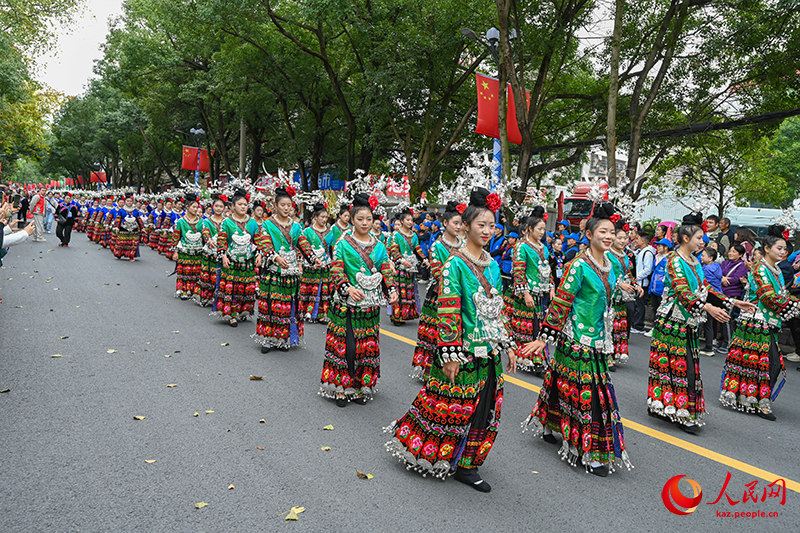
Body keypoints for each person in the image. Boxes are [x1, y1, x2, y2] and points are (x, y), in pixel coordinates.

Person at [385, 188, 516, 492]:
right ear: (466, 226)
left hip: (489, 350)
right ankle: (431, 448)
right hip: (463, 350)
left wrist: (508, 344)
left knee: (485, 407)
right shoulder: (455, 264)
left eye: (492, 225)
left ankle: (468, 464)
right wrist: (449, 352)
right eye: (481, 224)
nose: (487, 230)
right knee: (451, 406)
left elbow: (499, 308)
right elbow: (449, 309)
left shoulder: (493, 265)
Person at [521, 202, 632, 477]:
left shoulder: (611, 265)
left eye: (612, 232)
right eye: (603, 232)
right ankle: (587, 450)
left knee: (561, 382)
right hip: (577, 339)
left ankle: (549, 423)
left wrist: (625, 289)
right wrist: (544, 338)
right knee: (586, 393)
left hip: (600, 338)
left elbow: (609, 295)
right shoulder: (577, 265)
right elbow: (562, 302)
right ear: (589, 235)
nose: (609, 236)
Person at [646, 212, 755, 433]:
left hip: (687, 322)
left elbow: (706, 288)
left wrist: (733, 301)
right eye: (698, 238)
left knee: (685, 367)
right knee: (675, 367)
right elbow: (683, 291)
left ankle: (670, 407)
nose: (702, 242)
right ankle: (671, 408)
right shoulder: (674, 261)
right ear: (686, 238)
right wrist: (708, 308)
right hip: (672, 322)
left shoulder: (694, 261)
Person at [319, 193, 398, 405]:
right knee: (348, 346)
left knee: (366, 347)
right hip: (346, 303)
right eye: (360, 219)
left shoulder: (380, 246)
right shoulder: (342, 243)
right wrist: (347, 288)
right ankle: (341, 387)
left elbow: (385, 270)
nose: (365, 223)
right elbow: (336, 268)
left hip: (369, 306)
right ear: (351, 219)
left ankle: (359, 385)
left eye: (368, 219)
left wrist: (391, 289)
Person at [720, 225, 799, 420]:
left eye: (785, 249)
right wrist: (796, 304)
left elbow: (781, 295)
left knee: (761, 363)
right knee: (767, 363)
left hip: (768, 321)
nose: (783, 252)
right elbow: (768, 296)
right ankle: (759, 402)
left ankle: (753, 398)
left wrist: (791, 302)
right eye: (779, 248)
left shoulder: (776, 270)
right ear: (767, 248)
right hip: (756, 321)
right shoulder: (759, 269)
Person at [254, 187, 319, 353]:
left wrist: (313, 258)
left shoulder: (296, 226)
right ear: (275, 206)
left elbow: (303, 243)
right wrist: (275, 257)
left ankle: (282, 338)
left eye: (288, 205)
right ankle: (267, 338)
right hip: (272, 271)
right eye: (282, 205)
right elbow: (265, 243)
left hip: (290, 271)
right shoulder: (267, 224)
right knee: (270, 304)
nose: (286, 208)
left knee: (286, 306)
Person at [411, 201, 463, 381]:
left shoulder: (465, 245)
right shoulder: (437, 246)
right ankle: (430, 371)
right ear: (445, 223)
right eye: (455, 223)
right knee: (436, 332)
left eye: (461, 223)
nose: (459, 227)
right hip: (440, 296)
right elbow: (438, 272)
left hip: (461, 297)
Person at [508, 207, 553, 375]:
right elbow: (519, 271)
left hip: (540, 293)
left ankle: (537, 359)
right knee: (528, 327)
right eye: (539, 229)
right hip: (526, 292)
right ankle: (531, 359)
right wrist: (525, 293)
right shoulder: (521, 246)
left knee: (538, 326)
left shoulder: (543, 248)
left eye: (544, 229)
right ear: (530, 229)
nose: (542, 232)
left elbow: (547, 269)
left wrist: (551, 286)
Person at [214, 189, 261, 327]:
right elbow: (222, 240)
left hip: (248, 260)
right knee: (232, 288)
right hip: (232, 260)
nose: (243, 207)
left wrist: (259, 254)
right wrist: (223, 256)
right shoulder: (227, 222)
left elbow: (258, 240)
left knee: (247, 288)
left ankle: (243, 311)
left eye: (245, 204)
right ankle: (232, 315)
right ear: (233, 206)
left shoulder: (252, 222)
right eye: (240, 204)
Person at [607, 221, 641, 369]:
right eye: (619, 238)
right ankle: (606, 356)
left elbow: (629, 274)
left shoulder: (626, 255)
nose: (623, 241)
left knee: (618, 325)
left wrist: (636, 285)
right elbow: (605, 273)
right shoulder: (607, 254)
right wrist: (620, 284)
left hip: (621, 297)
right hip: (609, 296)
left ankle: (615, 353)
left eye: (625, 238)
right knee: (608, 324)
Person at [388, 208, 427, 325]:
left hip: (411, 267)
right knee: (399, 291)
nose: (410, 222)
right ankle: (396, 316)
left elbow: (417, 248)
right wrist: (401, 260)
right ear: (402, 221)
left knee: (408, 291)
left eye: (411, 220)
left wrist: (425, 259)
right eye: (408, 220)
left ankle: (404, 314)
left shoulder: (414, 235)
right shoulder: (396, 235)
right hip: (400, 267)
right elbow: (394, 249)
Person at [299, 202, 332, 323]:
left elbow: (332, 249)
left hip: (325, 265)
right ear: (315, 217)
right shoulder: (307, 231)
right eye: (322, 217)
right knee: (310, 288)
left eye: (326, 217)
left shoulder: (330, 232)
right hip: (310, 266)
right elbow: (301, 249)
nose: (324, 219)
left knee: (323, 290)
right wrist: (300, 264)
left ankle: (322, 314)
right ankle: (306, 312)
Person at [170, 193, 204, 301]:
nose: (195, 209)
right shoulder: (181, 221)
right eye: (193, 207)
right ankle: (183, 290)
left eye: (197, 207)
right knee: (184, 271)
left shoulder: (202, 221)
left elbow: (205, 236)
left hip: (198, 250)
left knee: (196, 271)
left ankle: (194, 291)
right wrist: (175, 251)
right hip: (184, 250)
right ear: (187, 207)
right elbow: (176, 236)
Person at [199, 194, 225, 308]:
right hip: (211, 250)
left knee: (221, 274)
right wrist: (208, 239)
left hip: (223, 251)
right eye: (216, 206)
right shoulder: (207, 221)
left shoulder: (227, 221)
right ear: (213, 207)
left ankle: (219, 297)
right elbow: (205, 231)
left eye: (221, 206)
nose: (219, 208)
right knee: (209, 274)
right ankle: (207, 296)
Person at [630, 229, 655, 333]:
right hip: (637, 282)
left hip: (642, 283)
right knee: (636, 304)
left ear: (643, 241)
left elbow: (648, 269)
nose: (636, 241)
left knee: (639, 305)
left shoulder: (648, 253)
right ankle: (634, 323)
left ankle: (639, 326)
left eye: (637, 239)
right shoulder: (640, 251)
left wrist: (636, 277)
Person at [699, 247, 723, 356]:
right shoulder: (717, 266)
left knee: (700, 322)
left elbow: (701, 283)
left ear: (711, 258)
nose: (701, 257)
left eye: (703, 255)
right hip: (716, 296)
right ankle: (708, 347)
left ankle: (692, 345)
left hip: (707, 297)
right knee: (708, 323)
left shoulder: (706, 270)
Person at [648, 238, 672, 333]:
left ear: (666, 247)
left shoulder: (669, 259)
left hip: (662, 289)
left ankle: (660, 329)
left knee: (662, 310)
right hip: (653, 287)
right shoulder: (657, 257)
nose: (657, 247)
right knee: (655, 308)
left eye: (660, 246)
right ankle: (655, 328)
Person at [112, 194, 143, 260]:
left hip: (134, 229)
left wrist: (142, 228)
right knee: (122, 243)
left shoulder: (135, 211)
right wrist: (116, 227)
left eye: (130, 201)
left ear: (132, 202)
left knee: (133, 244)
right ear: (125, 202)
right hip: (124, 228)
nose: (129, 202)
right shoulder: (121, 210)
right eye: (128, 201)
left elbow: (139, 220)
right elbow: (118, 219)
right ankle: (119, 254)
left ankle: (131, 256)